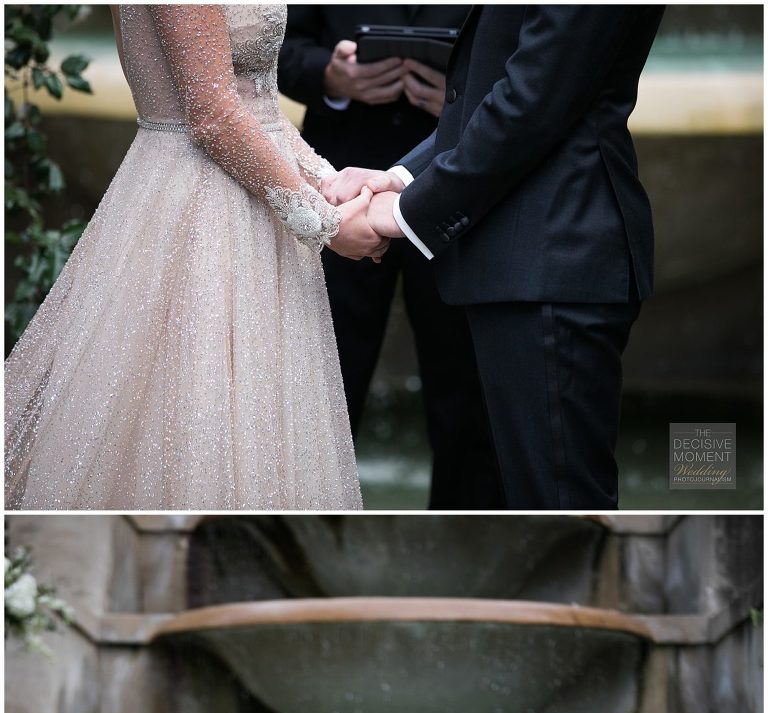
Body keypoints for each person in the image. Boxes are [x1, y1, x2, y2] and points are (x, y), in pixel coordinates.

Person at [4, 4, 382, 512]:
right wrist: (326, 225)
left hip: (252, 195)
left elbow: (258, 105)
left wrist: (330, 184)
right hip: (196, 204)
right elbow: (211, 114)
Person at [328, 5, 666, 510]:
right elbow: (500, 87)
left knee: (559, 509)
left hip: (552, 255)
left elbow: (536, 96)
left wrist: (402, 214)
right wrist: (398, 178)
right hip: (529, 257)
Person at [278, 7, 504, 508]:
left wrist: (465, 90)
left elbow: (524, 57)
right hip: (338, 189)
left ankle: (463, 530)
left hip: (461, 191)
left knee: (467, 397)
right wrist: (331, 77)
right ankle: (314, 513)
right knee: (322, 384)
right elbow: (270, 44)